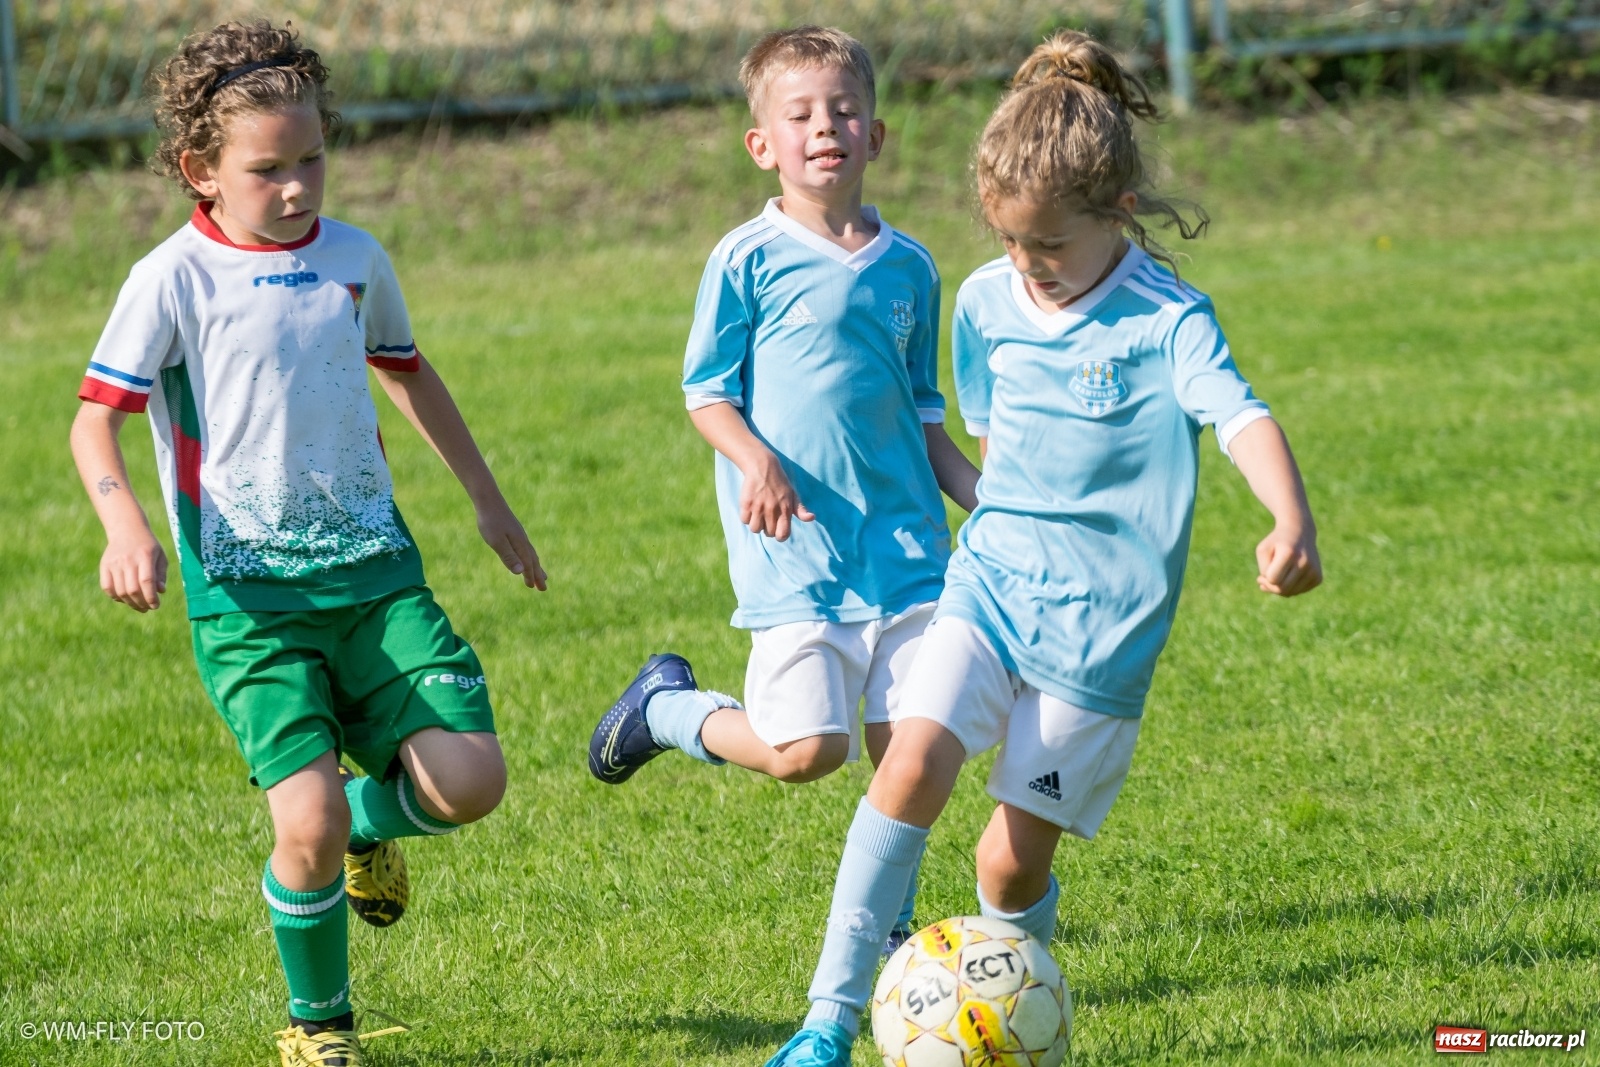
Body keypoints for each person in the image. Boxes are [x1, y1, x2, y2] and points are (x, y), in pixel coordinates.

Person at [764, 29, 1324, 1066]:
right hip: (990, 587)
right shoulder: (981, 299)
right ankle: (826, 1019)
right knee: (910, 766)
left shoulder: (1166, 319)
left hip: (1101, 636)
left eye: (1048, 248)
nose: (1026, 265)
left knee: (1008, 864)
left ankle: (1001, 1018)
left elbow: (1240, 418)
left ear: (1115, 212)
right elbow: (994, 439)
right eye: (1009, 242)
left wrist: (1289, 517)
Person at [67, 21, 546, 1066]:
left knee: (471, 782)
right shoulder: (173, 278)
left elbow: (406, 369)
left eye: (312, 159)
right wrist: (125, 525)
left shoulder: (353, 257)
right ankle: (318, 1024)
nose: (297, 187)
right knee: (307, 815)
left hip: (376, 578)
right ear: (201, 170)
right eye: (267, 169)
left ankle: (366, 828)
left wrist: (487, 498)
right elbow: (94, 416)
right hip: (248, 600)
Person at [586, 26, 979, 953]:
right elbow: (706, 394)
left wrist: (987, 500)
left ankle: (888, 930)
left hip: (911, 554)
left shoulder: (912, 268)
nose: (825, 127)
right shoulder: (745, 258)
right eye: (800, 114)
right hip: (798, 555)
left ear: (876, 135)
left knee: (912, 757)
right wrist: (755, 458)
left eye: (845, 110)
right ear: (763, 144)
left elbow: (928, 421)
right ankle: (666, 710)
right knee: (808, 753)